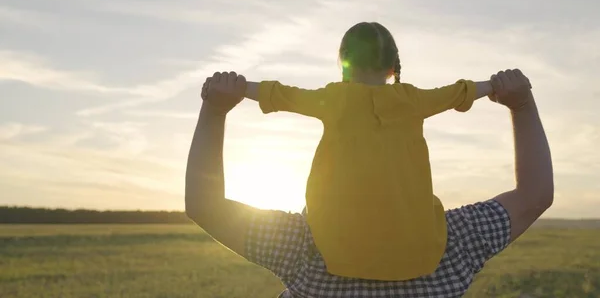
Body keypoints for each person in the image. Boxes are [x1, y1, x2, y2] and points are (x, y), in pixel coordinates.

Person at [187, 67, 553, 298]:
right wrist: (521, 106)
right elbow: (534, 195)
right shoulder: (451, 243)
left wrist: (216, 109)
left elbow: (205, 205)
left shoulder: (302, 245)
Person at [226, 22, 495, 281]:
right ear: (392, 67)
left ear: (344, 61)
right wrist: (497, 85)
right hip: (416, 254)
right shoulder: (413, 99)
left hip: (340, 253)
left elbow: (279, 94)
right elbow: (461, 92)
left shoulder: (334, 98)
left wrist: (235, 86)